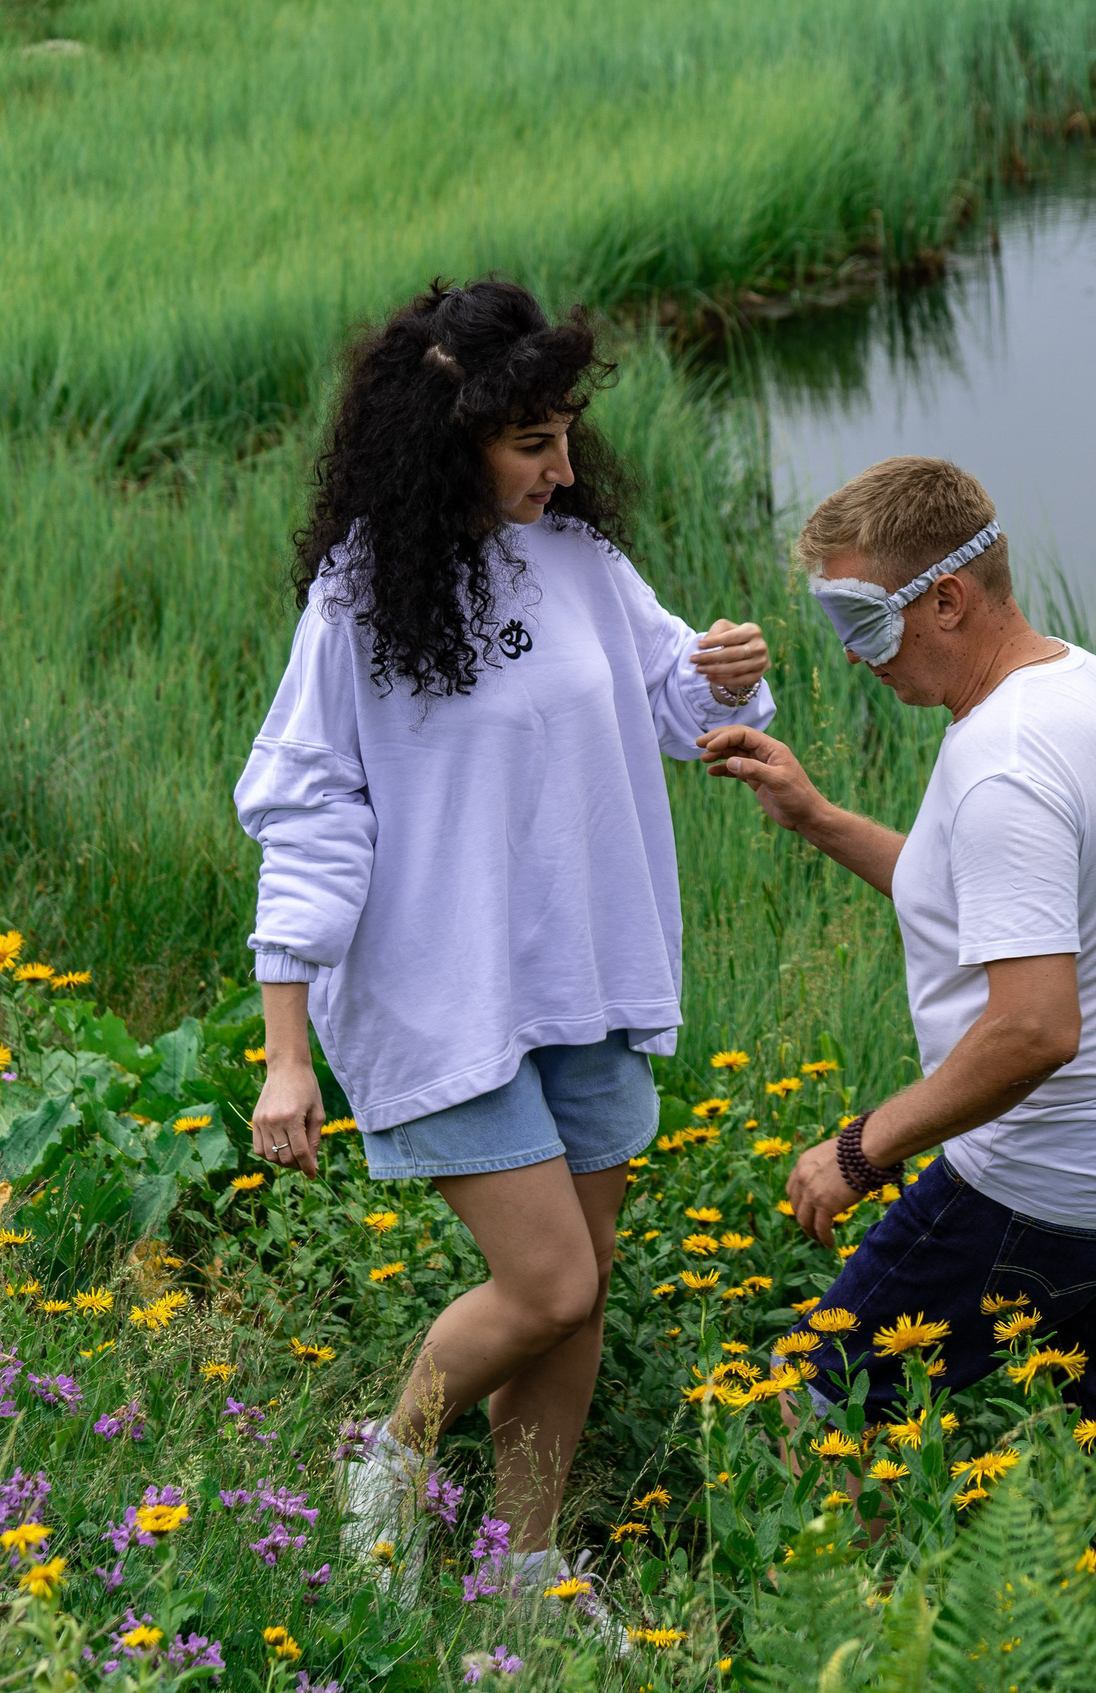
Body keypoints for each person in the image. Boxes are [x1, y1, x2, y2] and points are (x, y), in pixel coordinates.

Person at [234, 279, 775, 1589]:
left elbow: (676, 706)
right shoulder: (360, 600)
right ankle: (386, 1460)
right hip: (445, 995)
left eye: (565, 435)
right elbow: (307, 813)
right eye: (533, 443)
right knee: (545, 1285)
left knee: (582, 1286)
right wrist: (286, 1056)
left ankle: (523, 1576)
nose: (563, 467)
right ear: (449, 440)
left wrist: (721, 672)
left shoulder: (582, 562)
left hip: (586, 979)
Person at [698, 456, 1096, 1422]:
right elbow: (981, 898)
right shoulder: (1094, 686)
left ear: (946, 599)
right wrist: (817, 815)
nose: (853, 655)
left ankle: (841, 1538)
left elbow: (1034, 1029)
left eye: (864, 622)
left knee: (809, 1405)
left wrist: (860, 1148)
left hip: (1049, 1182)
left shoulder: (1004, 766)